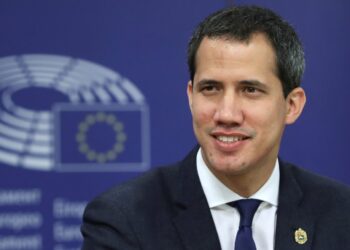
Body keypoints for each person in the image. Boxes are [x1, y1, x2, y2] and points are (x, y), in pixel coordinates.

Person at [81, 5, 350, 250]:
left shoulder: (341, 215)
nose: (226, 114)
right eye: (210, 88)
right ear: (190, 96)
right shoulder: (124, 219)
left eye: (250, 90)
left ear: (292, 105)